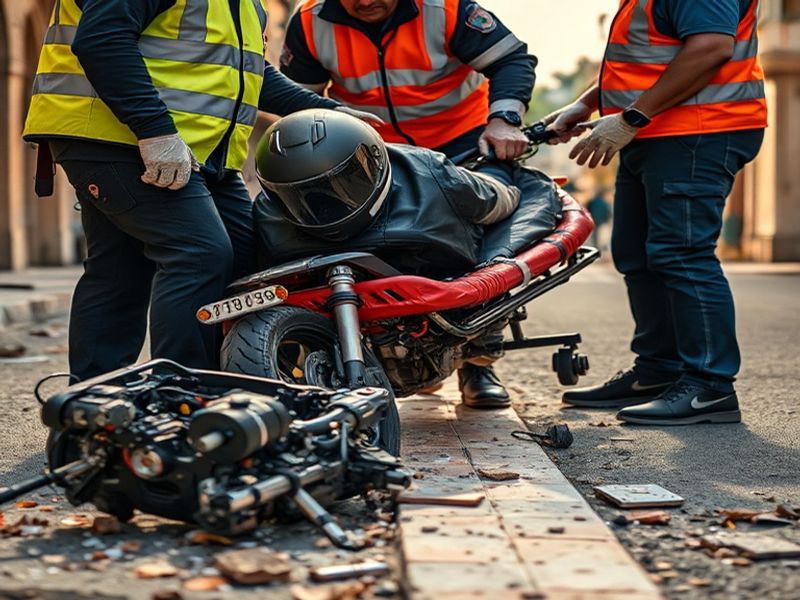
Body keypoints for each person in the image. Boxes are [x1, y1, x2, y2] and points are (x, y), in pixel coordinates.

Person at [23, 0, 376, 381]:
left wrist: (325, 109)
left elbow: (248, 73)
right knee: (200, 255)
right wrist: (154, 130)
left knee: (205, 262)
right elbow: (102, 39)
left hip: (198, 154)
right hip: (123, 140)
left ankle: (93, 411)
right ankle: (186, 395)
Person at [280, 0, 538, 406]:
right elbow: (298, 100)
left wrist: (504, 118)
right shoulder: (310, 24)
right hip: (373, 158)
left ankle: (480, 362)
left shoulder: (447, 9)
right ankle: (404, 351)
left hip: (461, 146)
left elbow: (511, 59)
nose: (365, 2)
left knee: (484, 239)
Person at [545, 0, 766, 425]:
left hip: (698, 131)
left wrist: (630, 116)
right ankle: (658, 371)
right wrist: (588, 104)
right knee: (636, 253)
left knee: (682, 253)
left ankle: (709, 386)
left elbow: (709, 48)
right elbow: (651, 60)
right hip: (655, 131)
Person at [254, 109, 526, 408]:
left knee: (495, 251)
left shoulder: (431, 172)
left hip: (444, 271)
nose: (324, 205)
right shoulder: (267, 216)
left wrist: (505, 179)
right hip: (344, 304)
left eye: (341, 185)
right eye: (299, 196)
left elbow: (496, 199)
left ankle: (479, 364)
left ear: (373, 162)